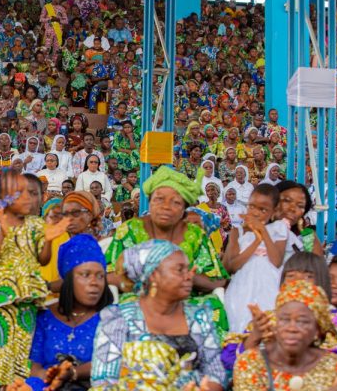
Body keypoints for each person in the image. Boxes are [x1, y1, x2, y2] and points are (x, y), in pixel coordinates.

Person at [0, 169, 69, 389]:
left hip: (26, 302)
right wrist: (1, 235)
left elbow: (43, 260)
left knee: (20, 361)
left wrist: (48, 239)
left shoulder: (35, 225)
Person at [91, 240, 227, 390]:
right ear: (154, 275)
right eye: (180, 270)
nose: (190, 276)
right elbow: (103, 381)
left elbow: (216, 374)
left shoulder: (199, 317)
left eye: (187, 269)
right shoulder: (119, 319)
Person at [106, 166, 228, 295]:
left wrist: (185, 276)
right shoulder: (129, 230)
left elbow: (218, 281)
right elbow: (107, 274)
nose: (166, 207)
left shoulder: (195, 234)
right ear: (150, 202)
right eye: (159, 199)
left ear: (184, 209)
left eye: (175, 202)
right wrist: (145, 279)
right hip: (138, 299)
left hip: (185, 300)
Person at [22, 234, 114, 391]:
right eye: (85, 275)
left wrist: (72, 373)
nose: (94, 283)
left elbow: (111, 362)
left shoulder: (112, 316)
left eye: (100, 276)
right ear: (69, 279)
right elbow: (35, 364)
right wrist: (50, 377)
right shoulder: (45, 317)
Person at [232, 279, 337, 391]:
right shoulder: (251, 362)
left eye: (302, 321)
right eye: (284, 319)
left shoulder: (333, 366)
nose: (291, 328)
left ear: (317, 329)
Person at [223, 184, 287, 333]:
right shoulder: (237, 232)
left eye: (263, 210)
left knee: (269, 324)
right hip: (241, 289)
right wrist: (256, 241)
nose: (255, 213)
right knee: (239, 324)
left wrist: (263, 231)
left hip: (270, 287)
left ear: (274, 212)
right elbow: (231, 266)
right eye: (251, 207)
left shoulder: (278, 229)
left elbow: (276, 261)